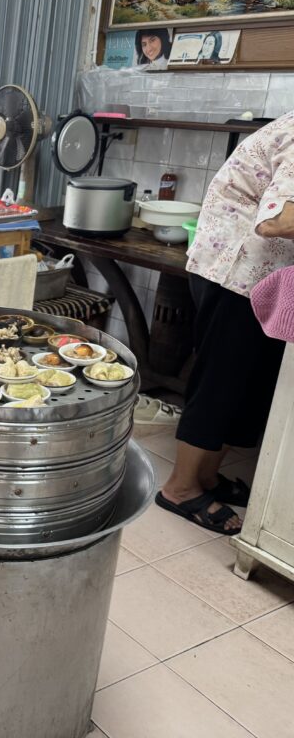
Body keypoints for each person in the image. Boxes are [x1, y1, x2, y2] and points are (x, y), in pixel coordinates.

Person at [156, 110, 294, 534]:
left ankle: (207, 478)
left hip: (264, 276)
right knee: (222, 380)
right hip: (236, 269)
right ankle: (179, 487)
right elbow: (279, 221)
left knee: (248, 385)